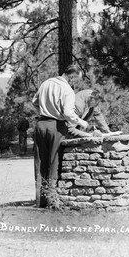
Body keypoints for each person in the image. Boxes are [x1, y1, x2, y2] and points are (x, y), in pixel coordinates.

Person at [32, 64, 89, 208]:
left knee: (40, 163)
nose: (74, 83)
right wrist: (83, 123)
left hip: (41, 124)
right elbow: (69, 113)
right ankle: (52, 200)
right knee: (54, 162)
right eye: (75, 80)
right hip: (56, 126)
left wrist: (44, 110)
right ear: (72, 76)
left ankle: (41, 201)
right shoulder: (67, 90)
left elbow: (34, 102)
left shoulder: (45, 83)